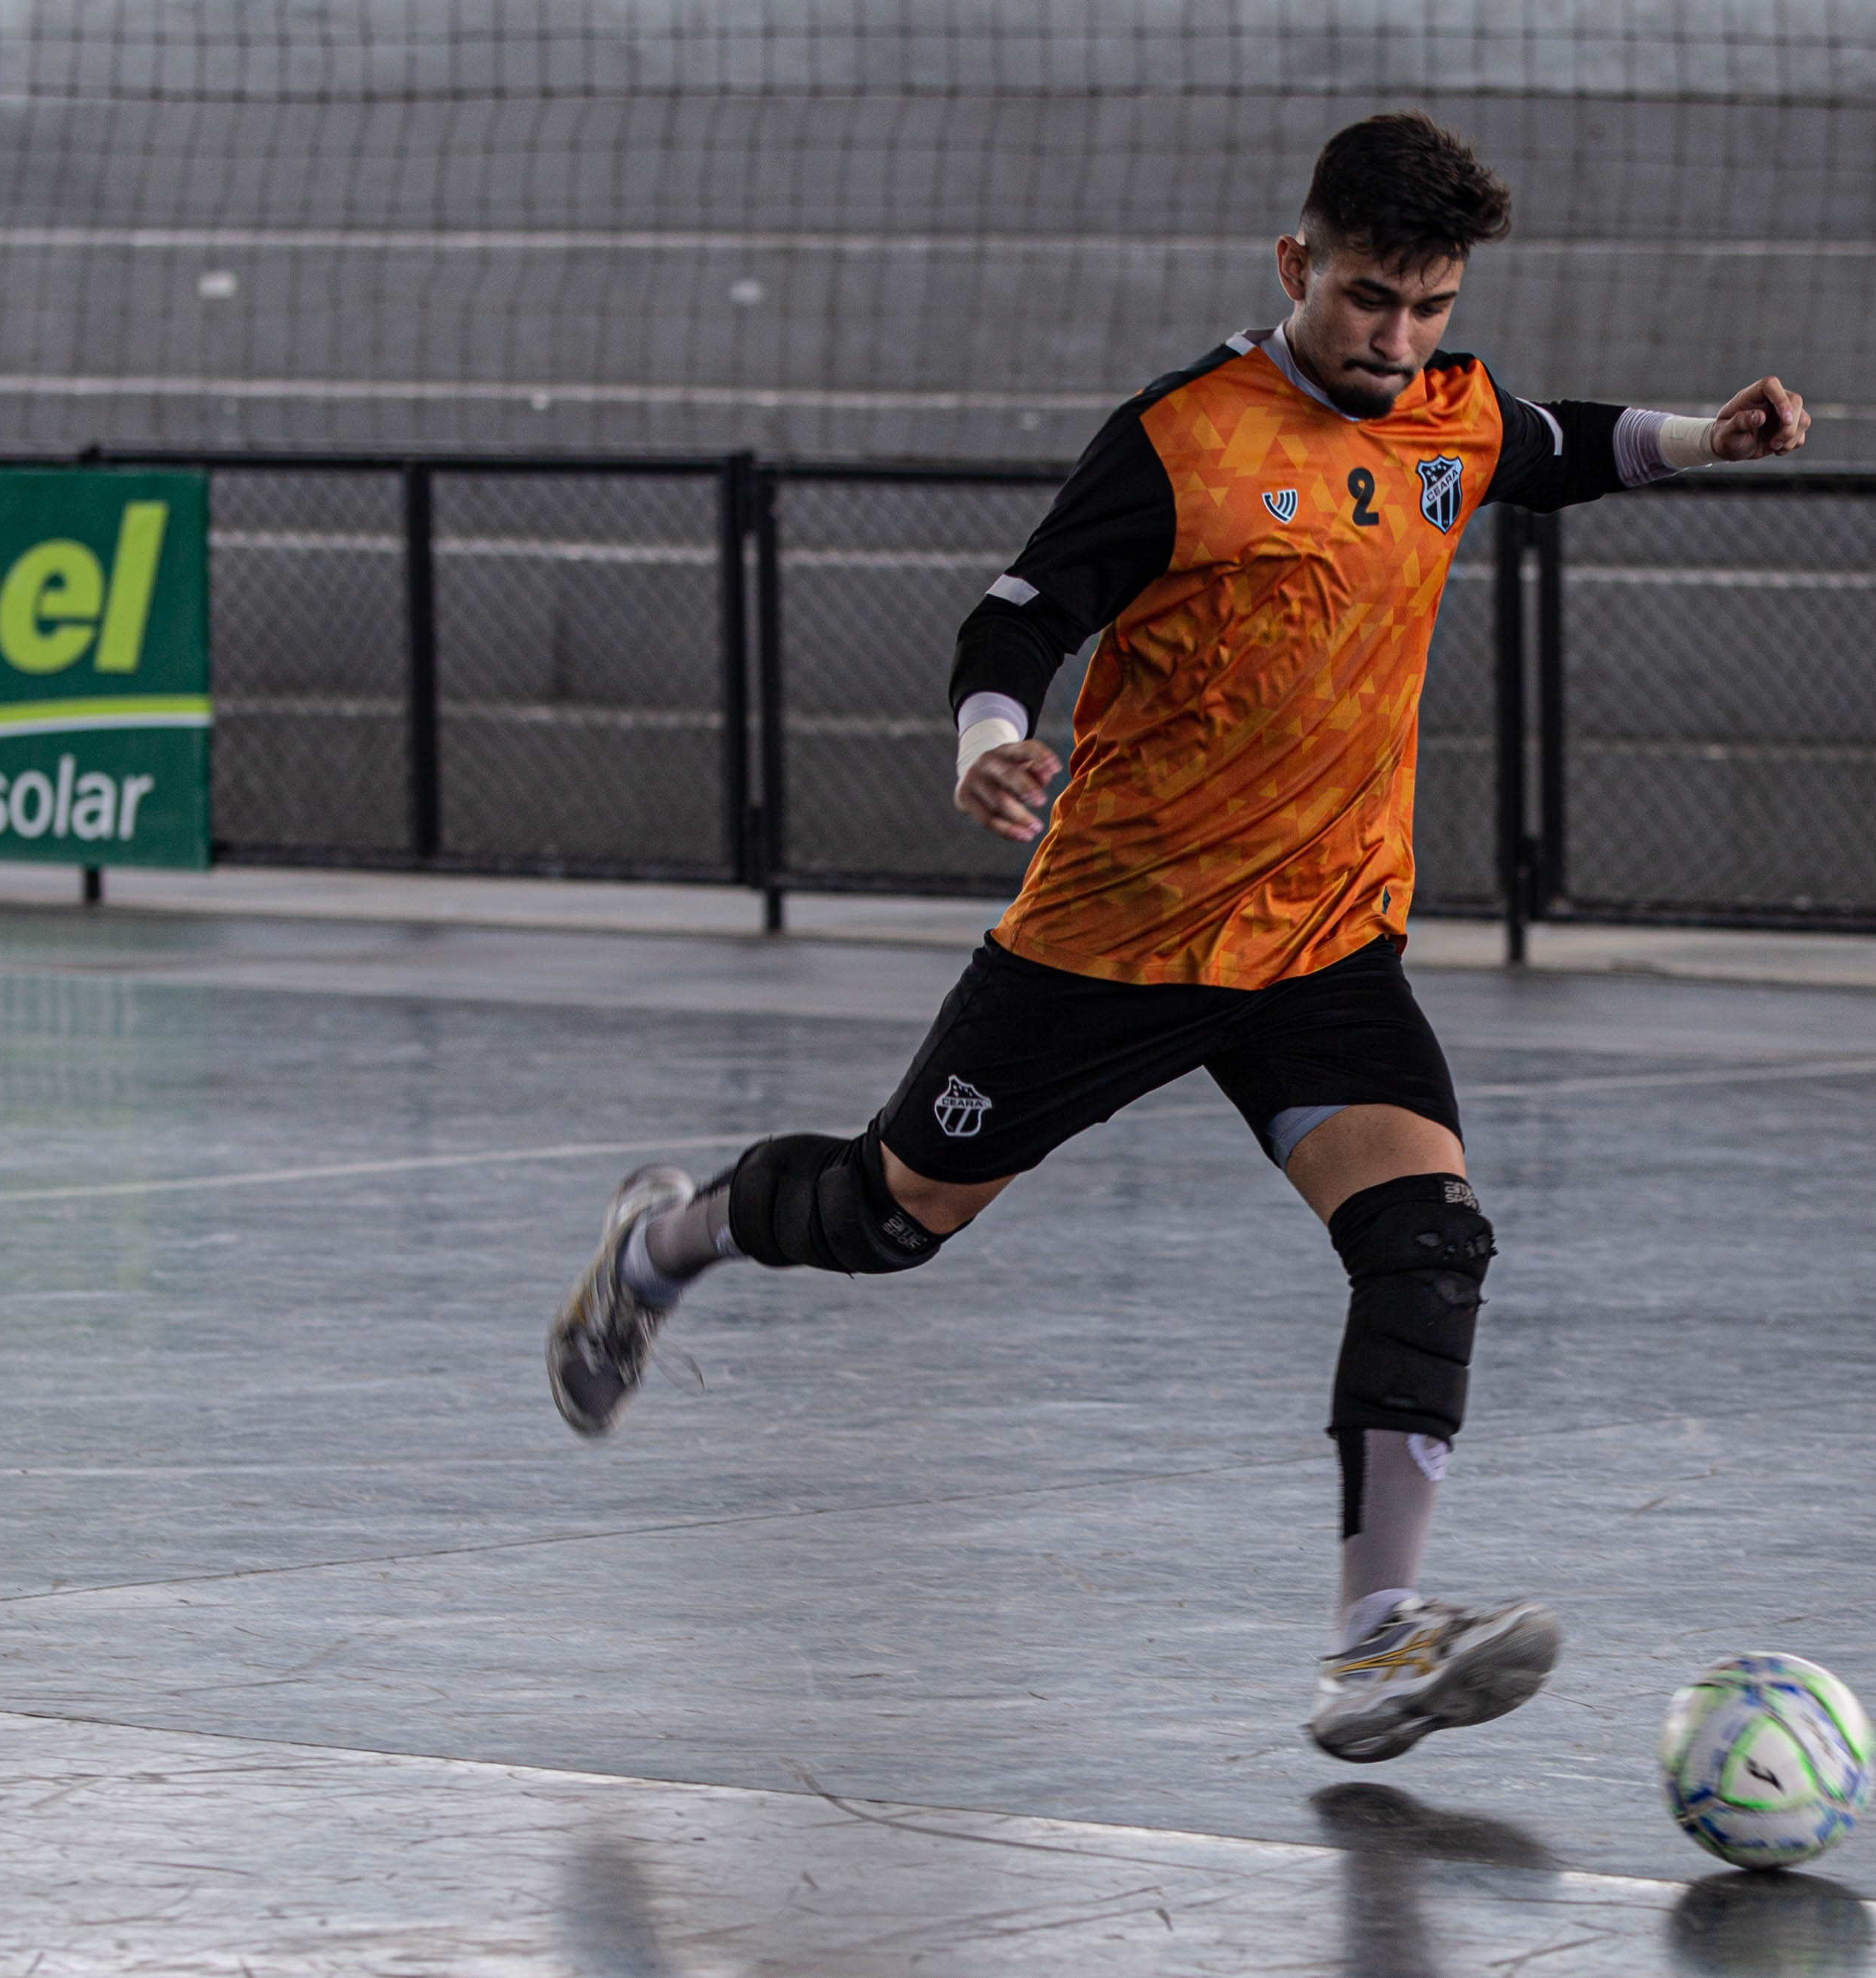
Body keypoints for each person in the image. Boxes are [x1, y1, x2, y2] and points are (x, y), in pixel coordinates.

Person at [548, 109, 1810, 1764]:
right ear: (1296, 266)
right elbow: (1017, 615)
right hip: (1114, 937)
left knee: (1427, 1241)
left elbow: (1556, 444)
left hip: (1320, 942)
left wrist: (1709, 439)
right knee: (890, 1216)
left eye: (1427, 306)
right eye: (1369, 298)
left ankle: (1372, 1641)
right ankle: (663, 1246)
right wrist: (980, 741)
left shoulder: (1446, 405)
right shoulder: (1180, 442)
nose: (1398, 338)